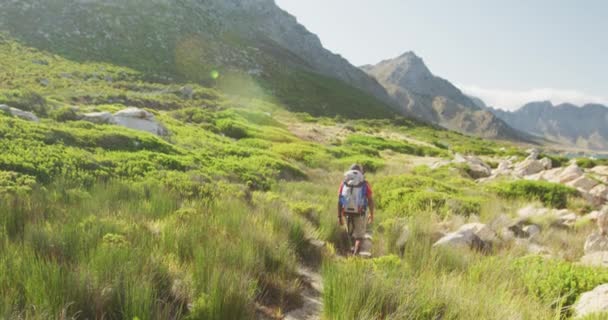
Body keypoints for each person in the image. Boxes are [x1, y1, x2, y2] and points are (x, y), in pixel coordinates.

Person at [338, 164, 375, 255]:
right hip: (360, 213)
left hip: (346, 212)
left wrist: (339, 216)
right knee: (359, 237)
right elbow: (370, 200)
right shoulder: (364, 184)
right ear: (361, 173)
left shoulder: (344, 183)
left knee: (350, 234)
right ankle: (355, 256)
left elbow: (340, 200)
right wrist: (371, 214)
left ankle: (349, 253)